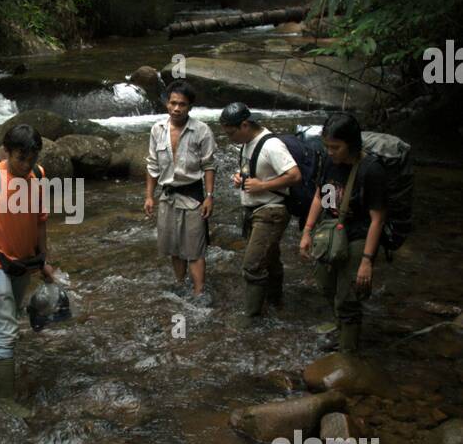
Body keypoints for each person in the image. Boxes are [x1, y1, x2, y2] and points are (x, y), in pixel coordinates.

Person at [0, 123, 57, 415]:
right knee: (7, 328)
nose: (27, 164)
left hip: (23, 263)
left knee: (2, 319)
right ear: (7, 152)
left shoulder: (39, 176)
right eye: (22, 157)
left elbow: (41, 221)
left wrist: (43, 260)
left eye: (32, 157)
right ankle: (2, 401)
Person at [299, 112, 388, 353]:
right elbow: (321, 196)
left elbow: (377, 220)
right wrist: (307, 231)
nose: (330, 151)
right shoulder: (329, 162)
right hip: (331, 228)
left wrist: (367, 261)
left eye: (336, 147)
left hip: (358, 234)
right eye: (326, 146)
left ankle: (347, 354)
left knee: (347, 297)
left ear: (351, 144)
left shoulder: (371, 170)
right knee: (327, 285)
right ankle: (340, 329)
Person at [219, 102, 301, 318]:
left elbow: (294, 175)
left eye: (230, 133)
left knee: (252, 266)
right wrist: (240, 177)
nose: (229, 138)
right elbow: (253, 170)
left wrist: (262, 186)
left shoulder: (272, 145)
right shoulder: (247, 143)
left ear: (244, 125)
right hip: (255, 210)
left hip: (271, 211)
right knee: (269, 258)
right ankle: (276, 303)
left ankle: (252, 317)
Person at [144, 80, 216, 302]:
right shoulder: (158, 130)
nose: (176, 108)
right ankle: (180, 285)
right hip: (167, 196)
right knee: (174, 247)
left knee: (194, 249)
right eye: (173, 103)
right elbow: (152, 165)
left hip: (193, 196)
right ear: (167, 103)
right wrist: (149, 196)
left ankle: (198, 292)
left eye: (182, 104)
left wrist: (209, 197)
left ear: (190, 107)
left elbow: (209, 165)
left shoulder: (201, 130)